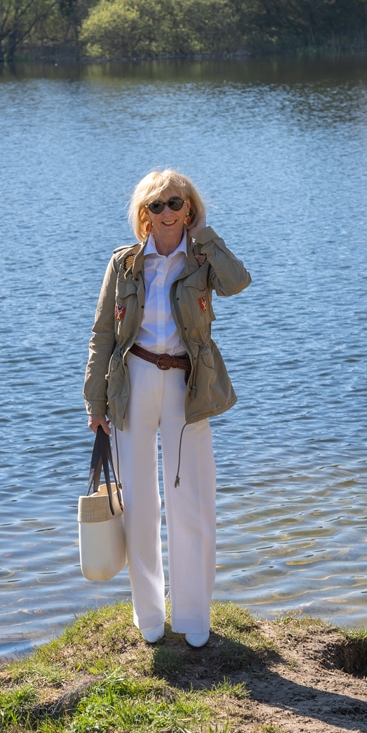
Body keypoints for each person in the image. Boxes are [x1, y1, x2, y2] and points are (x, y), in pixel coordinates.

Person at [84, 169, 251, 647]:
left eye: (175, 203)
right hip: (133, 381)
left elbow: (239, 282)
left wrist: (205, 235)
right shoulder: (124, 265)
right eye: (156, 206)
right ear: (144, 214)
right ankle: (149, 614)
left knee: (192, 501)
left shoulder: (202, 259)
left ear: (189, 208)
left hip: (186, 384)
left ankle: (195, 616)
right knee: (140, 503)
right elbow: (102, 335)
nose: (166, 213)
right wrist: (94, 401)